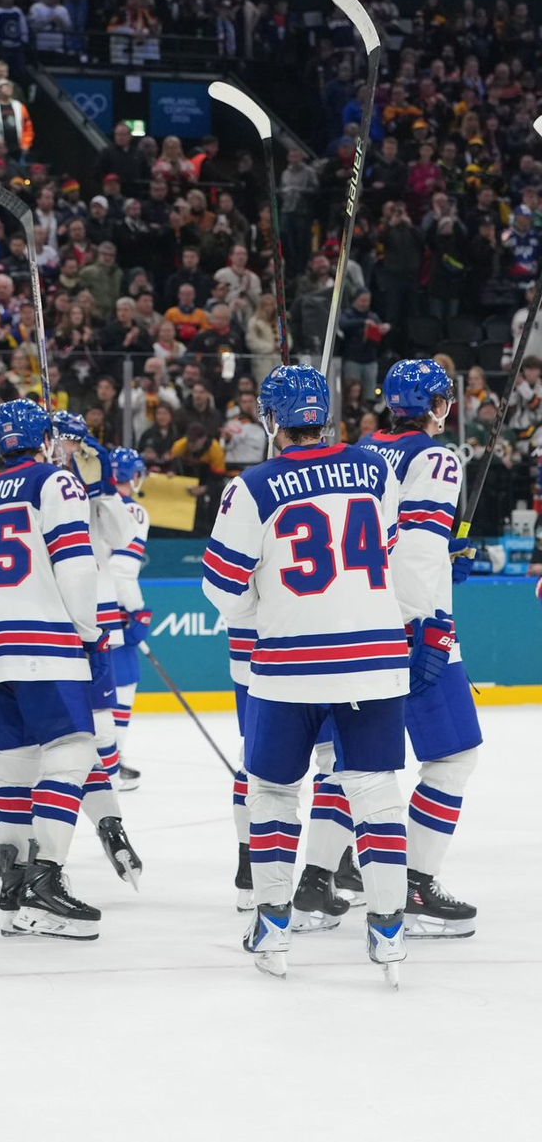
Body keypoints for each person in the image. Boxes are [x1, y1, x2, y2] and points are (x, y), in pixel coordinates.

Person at [202, 365, 410, 984]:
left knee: (272, 792)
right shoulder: (376, 469)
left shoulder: (252, 487)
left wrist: (260, 609)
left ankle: (271, 925)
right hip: (375, 659)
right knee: (374, 791)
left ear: (272, 421)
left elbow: (220, 589)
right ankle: (391, 933)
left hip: (289, 665)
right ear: (328, 415)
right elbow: (389, 549)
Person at [0, 399, 104, 939]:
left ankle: (14, 888)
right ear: (44, 439)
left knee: (12, 765)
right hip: (40, 637)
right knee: (73, 749)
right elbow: (76, 564)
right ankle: (46, 880)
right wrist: (88, 629)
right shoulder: (55, 482)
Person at [356, 360, 481, 937]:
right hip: (407, 625)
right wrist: (424, 623)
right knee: (453, 758)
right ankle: (413, 883)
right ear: (435, 405)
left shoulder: (362, 450)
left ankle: (331, 870)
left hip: (352, 623)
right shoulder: (434, 457)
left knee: (354, 763)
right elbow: (415, 550)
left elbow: (388, 538)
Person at [50, 411, 143, 886]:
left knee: (100, 726)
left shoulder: (94, 495)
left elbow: (125, 536)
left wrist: (103, 488)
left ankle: (109, 819)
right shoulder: (38, 486)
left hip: (91, 622)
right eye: (64, 445)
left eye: (78, 447)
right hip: (44, 623)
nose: (71, 455)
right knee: (40, 742)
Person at [106, 447, 151, 783]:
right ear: (134, 476)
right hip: (114, 615)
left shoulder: (92, 503)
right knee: (123, 685)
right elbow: (121, 571)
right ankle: (111, 763)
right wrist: (137, 612)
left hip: (83, 609)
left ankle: (101, 759)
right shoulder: (134, 511)